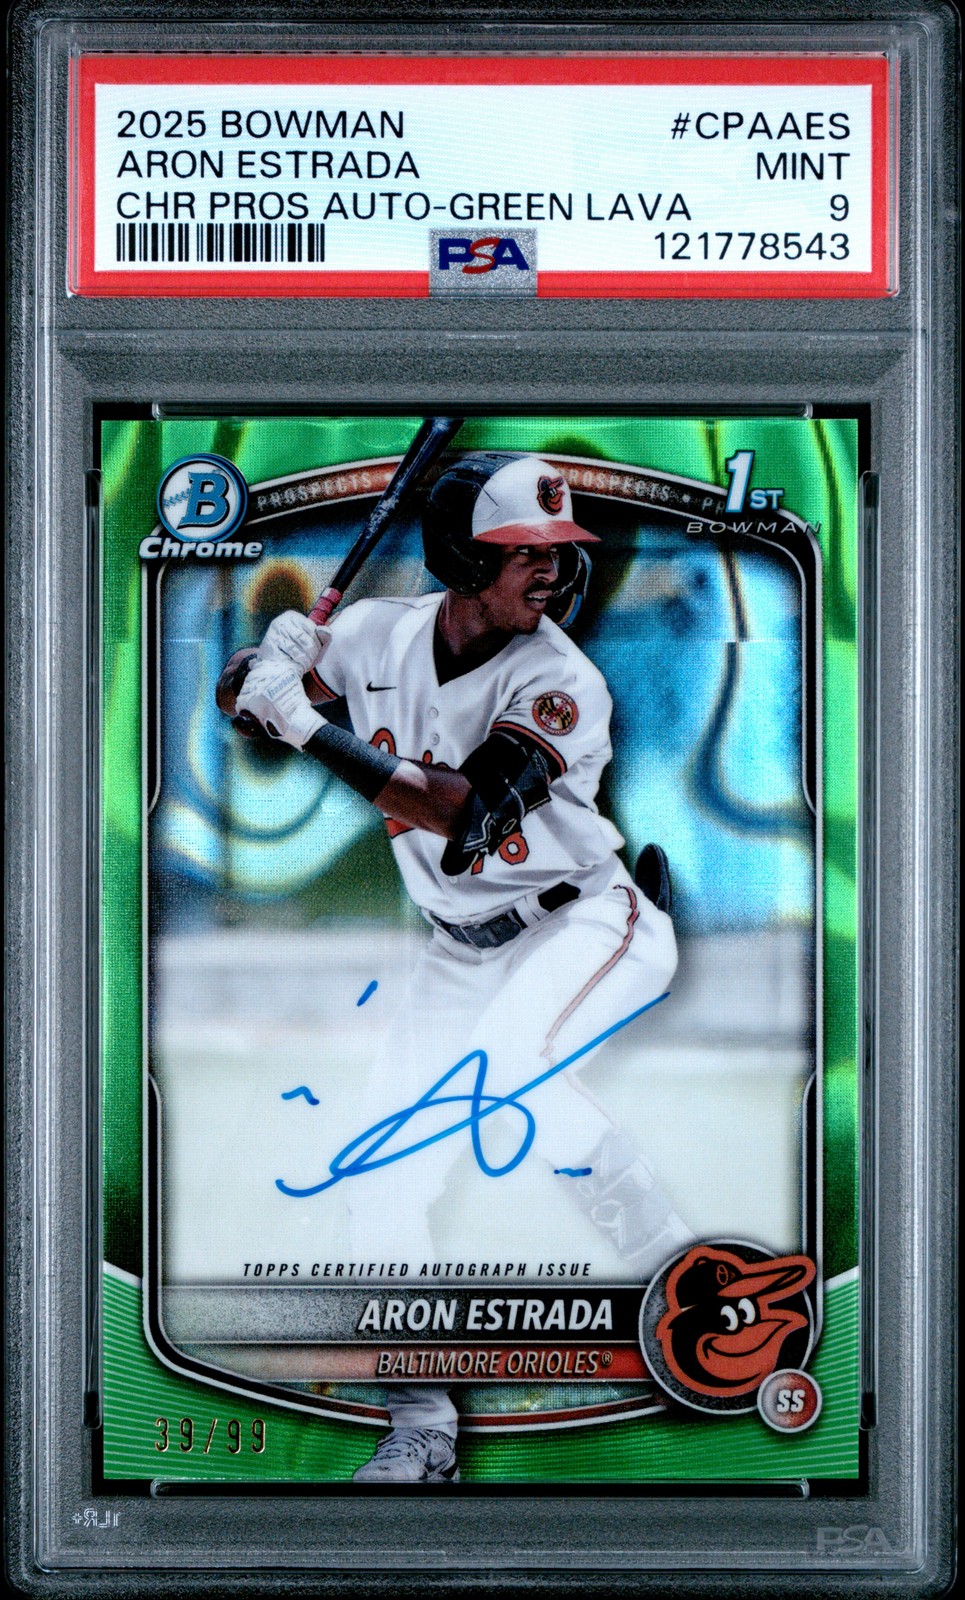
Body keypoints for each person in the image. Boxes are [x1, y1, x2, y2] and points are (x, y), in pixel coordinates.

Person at [236, 451, 691, 1483]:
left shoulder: (560, 679)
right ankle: (422, 1428)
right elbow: (246, 703)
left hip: (584, 922)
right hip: (459, 948)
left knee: (503, 1075)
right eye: (524, 551)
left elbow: (465, 813)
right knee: (381, 1178)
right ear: (461, 558)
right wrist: (267, 662)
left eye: (558, 550)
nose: (552, 569)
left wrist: (301, 719)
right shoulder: (375, 634)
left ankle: (677, 1275)